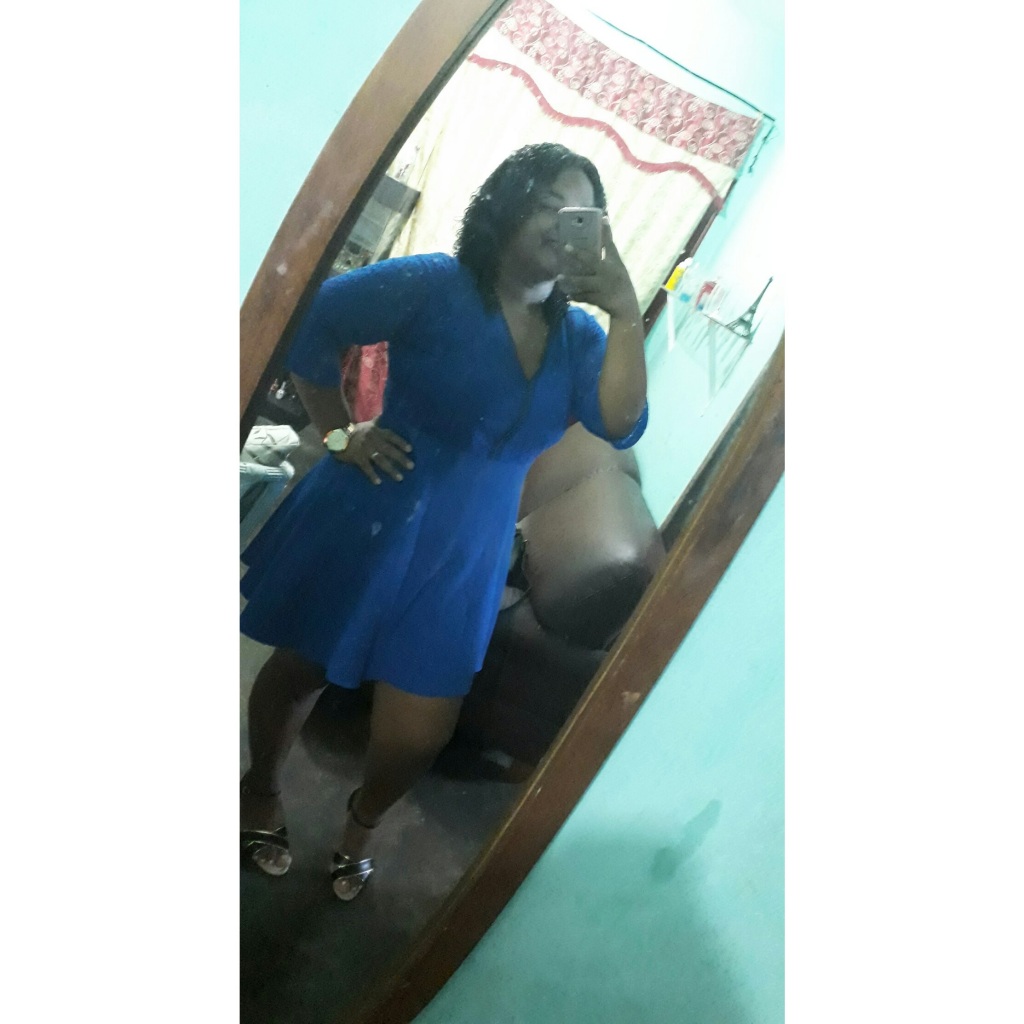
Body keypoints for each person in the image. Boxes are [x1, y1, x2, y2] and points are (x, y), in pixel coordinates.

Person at [239, 142, 649, 900]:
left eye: (582, 214)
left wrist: (625, 311)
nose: (563, 225)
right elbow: (311, 322)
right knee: (301, 669)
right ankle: (259, 786)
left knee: (417, 732)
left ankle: (360, 825)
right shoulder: (433, 283)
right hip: (371, 511)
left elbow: (621, 423)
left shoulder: (582, 339)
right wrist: (340, 435)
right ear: (505, 209)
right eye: (548, 206)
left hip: (467, 551)